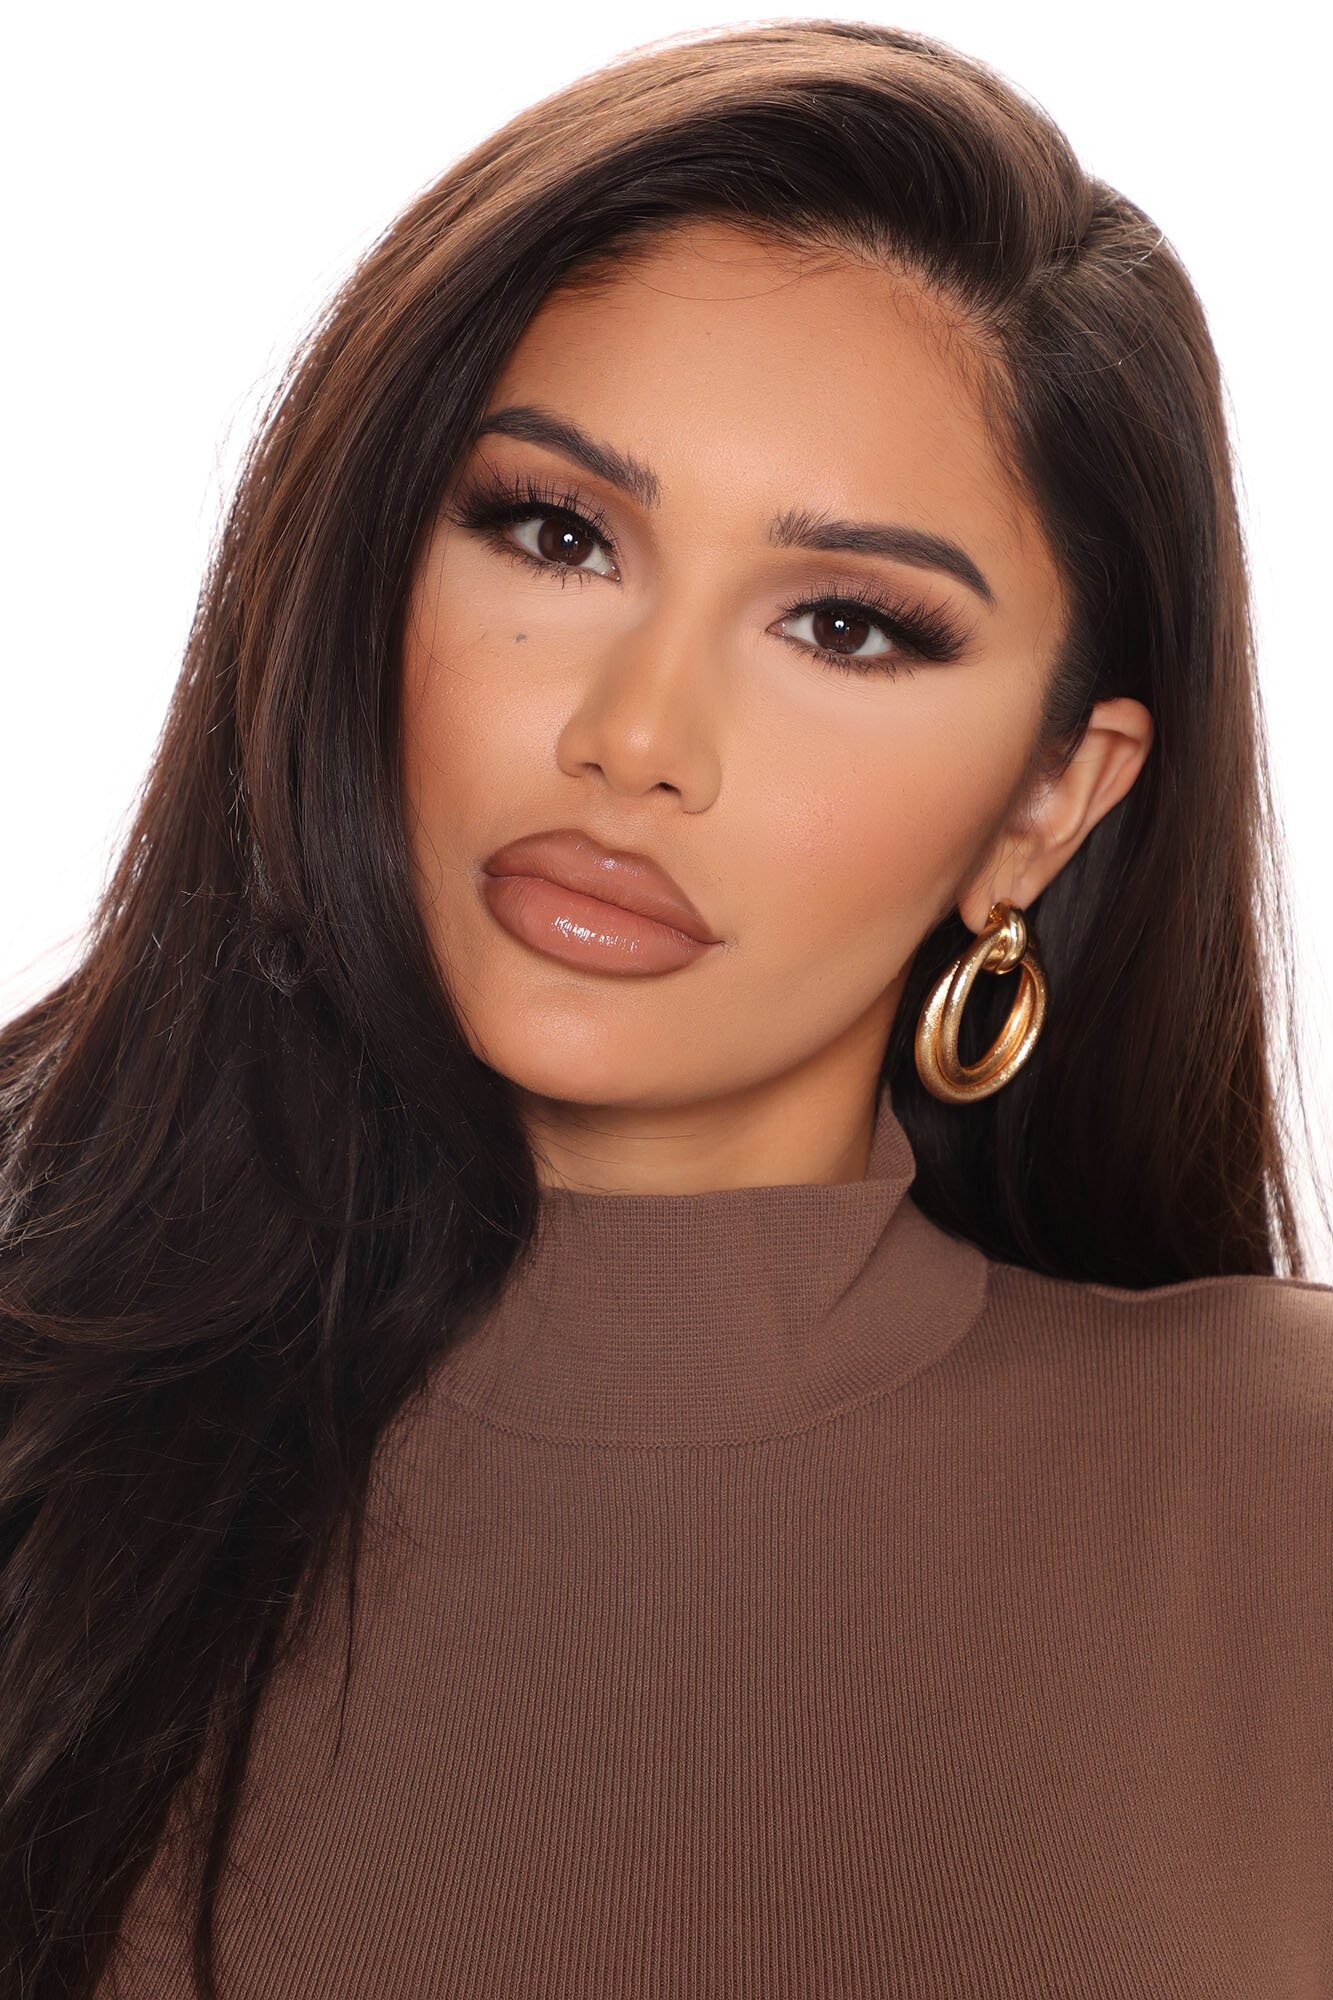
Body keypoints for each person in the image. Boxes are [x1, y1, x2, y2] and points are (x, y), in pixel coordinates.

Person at [2, 19, 1329, 1998]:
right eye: (556, 534)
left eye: (844, 625)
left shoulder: (1279, 1500)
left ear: (1046, 804)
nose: (635, 737)